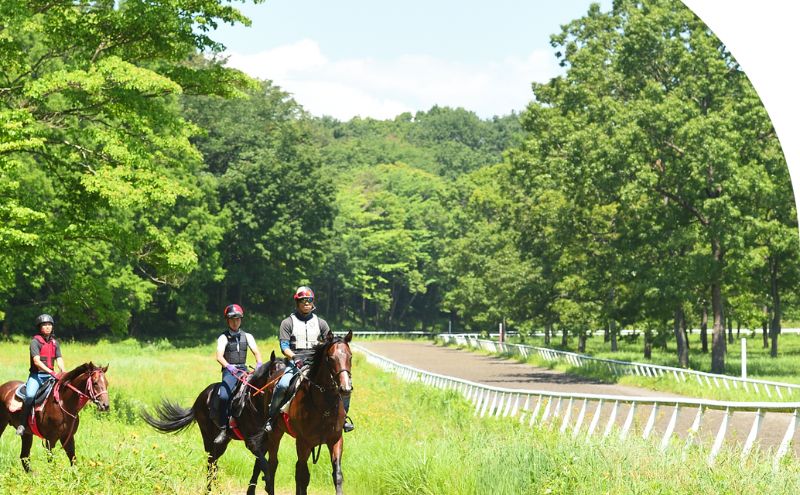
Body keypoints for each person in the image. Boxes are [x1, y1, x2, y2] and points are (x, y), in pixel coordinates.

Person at [264, 286, 354, 433]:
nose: (306, 303)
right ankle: (271, 418)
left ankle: (343, 419)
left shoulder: (321, 323)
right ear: (297, 302)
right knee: (282, 386)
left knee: (344, 385)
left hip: (316, 362)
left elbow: (330, 344)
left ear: (313, 303)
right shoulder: (287, 323)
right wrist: (294, 357)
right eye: (303, 300)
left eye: (309, 300)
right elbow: (284, 346)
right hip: (295, 360)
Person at [213, 303, 262, 445]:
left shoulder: (247, 336)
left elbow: (256, 352)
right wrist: (228, 366)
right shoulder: (223, 337)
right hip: (230, 371)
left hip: (244, 370)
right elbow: (219, 356)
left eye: (238, 319)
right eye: (232, 319)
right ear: (227, 320)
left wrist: (259, 364)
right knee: (223, 396)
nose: (235, 322)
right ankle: (223, 428)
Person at [17, 314, 65, 435]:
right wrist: (51, 372)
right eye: (44, 325)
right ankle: (22, 424)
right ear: (40, 327)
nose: (47, 327)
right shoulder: (35, 342)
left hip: (51, 377)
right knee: (29, 396)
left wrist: (63, 371)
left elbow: (59, 358)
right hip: (37, 376)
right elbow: (36, 361)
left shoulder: (55, 343)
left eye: (49, 325)